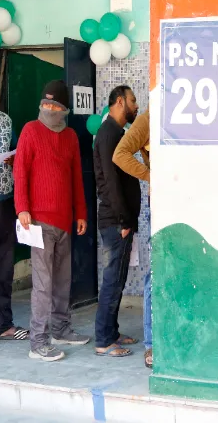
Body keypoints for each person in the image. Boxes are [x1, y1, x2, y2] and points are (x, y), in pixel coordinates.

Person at [14, 80, 89, 362]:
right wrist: (22, 208)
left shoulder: (70, 136)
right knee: (43, 285)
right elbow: (20, 171)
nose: (48, 109)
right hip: (38, 222)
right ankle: (38, 342)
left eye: (54, 106)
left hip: (65, 221)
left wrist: (80, 212)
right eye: (45, 105)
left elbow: (76, 179)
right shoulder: (30, 131)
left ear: (63, 109)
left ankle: (60, 328)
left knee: (62, 281)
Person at [93, 86, 140, 358]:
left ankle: (111, 332)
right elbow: (110, 183)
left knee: (118, 280)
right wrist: (123, 220)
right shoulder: (109, 133)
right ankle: (103, 340)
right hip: (115, 221)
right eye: (133, 101)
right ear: (120, 102)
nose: (136, 106)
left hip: (120, 220)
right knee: (112, 281)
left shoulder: (116, 133)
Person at [0, 75, 28, 341]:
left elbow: (17, 152)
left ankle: (5, 325)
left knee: (4, 268)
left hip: (4, 202)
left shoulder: (5, 121)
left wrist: (13, 161)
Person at [112, 107, 152, 368]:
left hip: (194, 202)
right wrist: (151, 176)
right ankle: (152, 344)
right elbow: (120, 154)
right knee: (156, 276)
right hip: (165, 205)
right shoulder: (151, 117)